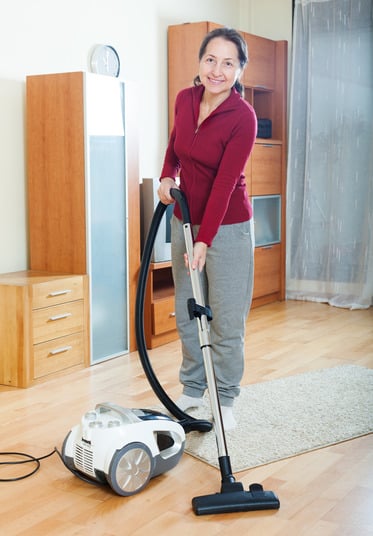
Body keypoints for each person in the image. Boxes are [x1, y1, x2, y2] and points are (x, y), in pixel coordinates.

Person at [158, 27, 257, 430]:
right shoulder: (185, 99)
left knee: (226, 319)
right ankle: (194, 389)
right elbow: (174, 148)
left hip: (227, 227)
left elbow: (224, 184)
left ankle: (226, 398)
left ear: (239, 70)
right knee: (188, 311)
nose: (217, 70)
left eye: (228, 63)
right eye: (211, 60)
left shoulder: (243, 118)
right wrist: (167, 177)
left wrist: (205, 239)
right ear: (200, 62)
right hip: (185, 220)